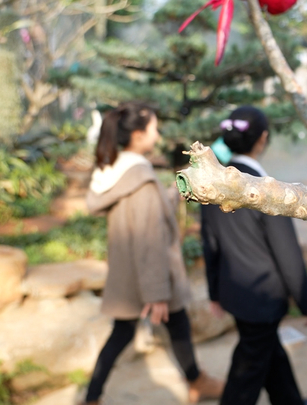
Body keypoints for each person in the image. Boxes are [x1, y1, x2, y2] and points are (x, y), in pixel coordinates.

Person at [83, 101, 224, 405]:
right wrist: (156, 293)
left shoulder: (119, 170)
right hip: (150, 274)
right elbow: (148, 239)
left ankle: (195, 381)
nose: (158, 133)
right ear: (137, 133)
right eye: (154, 127)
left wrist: (180, 190)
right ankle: (195, 382)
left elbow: (146, 214)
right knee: (144, 329)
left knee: (145, 329)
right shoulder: (141, 178)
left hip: (129, 271)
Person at [200, 106, 307, 405]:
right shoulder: (267, 189)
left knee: (269, 353)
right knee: (246, 372)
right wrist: (305, 301)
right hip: (262, 299)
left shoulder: (212, 184)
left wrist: (215, 291)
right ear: (262, 138)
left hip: (235, 293)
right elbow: (286, 252)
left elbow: (209, 242)